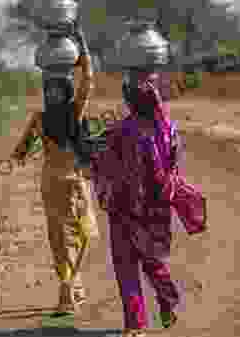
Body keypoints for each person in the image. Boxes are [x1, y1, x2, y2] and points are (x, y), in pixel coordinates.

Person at [90, 73, 207, 337]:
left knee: (126, 265)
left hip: (124, 208)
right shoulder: (168, 129)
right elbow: (170, 167)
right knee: (153, 260)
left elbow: (95, 155)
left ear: (129, 101)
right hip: (156, 208)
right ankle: (169, 301)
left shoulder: (121, 131)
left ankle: (135, 325)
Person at [11, 0, 100, 317]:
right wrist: (82, 43)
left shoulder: (40, 117)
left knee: (58, 237)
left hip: (49, 182)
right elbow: (88, 82)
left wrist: (24, 150)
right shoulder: (73, 113)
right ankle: (69, 288)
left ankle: (69, 287)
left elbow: (20, 154)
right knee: (85, 232)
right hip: (73, 180)